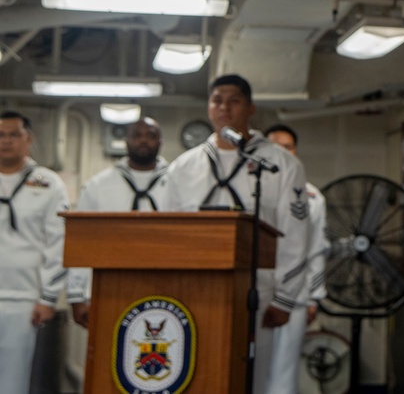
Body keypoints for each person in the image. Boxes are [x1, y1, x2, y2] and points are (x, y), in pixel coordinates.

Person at [163, 75, 310, 390]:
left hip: (257, 293)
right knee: (195, 376)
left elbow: (295, 234)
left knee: (252, 380)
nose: (224, 108)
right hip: (194, 290)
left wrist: (285, 298)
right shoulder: (183, 167)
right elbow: (169, 233)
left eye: (234, 101)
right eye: (217, 100)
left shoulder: (280, 164)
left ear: (251, 107)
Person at [67, 117, 171, 327]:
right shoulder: (98, 186)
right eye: (136, 135)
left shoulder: (177, 183)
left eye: (151, 136)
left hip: (165, 288)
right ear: (126, 141)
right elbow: (82, 243)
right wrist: (76, 295)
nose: (143, 141)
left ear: (160, 142)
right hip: (107, 290)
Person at [0, 111, 70, 394]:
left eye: (14, 135)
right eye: (1, 135)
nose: (6, 141)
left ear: (28, 139)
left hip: (25, 299)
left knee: (13, 380)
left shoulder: (48, 183)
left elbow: (61, 242)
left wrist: (48, 297)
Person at [263, 124, 330, 394]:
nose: (282, 152)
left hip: (298, 294)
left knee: (284, 371)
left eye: (288, 147)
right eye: (275, 147)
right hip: (259, 291)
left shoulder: (312, 197)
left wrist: (315, 296)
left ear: (296, 151)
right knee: (253, 365)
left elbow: (318, 248)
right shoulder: (253, 190)